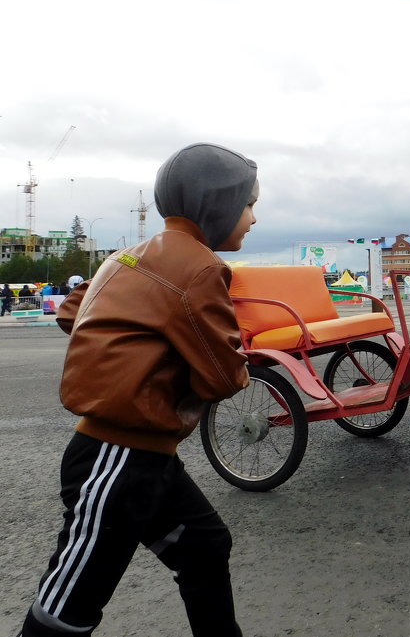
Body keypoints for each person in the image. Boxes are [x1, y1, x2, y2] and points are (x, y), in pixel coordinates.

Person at [20, 143, 258, 636]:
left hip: (138, 457)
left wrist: (135, 347)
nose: (253, 217)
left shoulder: (124, 256)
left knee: (204, 545)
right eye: (249, 203)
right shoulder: (201, 267)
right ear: (217, 203)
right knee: (68, 603)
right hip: (118, 458)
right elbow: (222, 375)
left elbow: (71, 312)